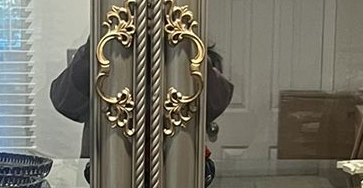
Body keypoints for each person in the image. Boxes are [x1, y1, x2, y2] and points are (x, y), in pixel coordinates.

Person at [49, 39, 234, 156]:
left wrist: (188, 45)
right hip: (108, 180)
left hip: (178, 187)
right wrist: (97, 43)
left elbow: (214, 104)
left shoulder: (190, 51)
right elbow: (64, 101)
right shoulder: (104, 52)